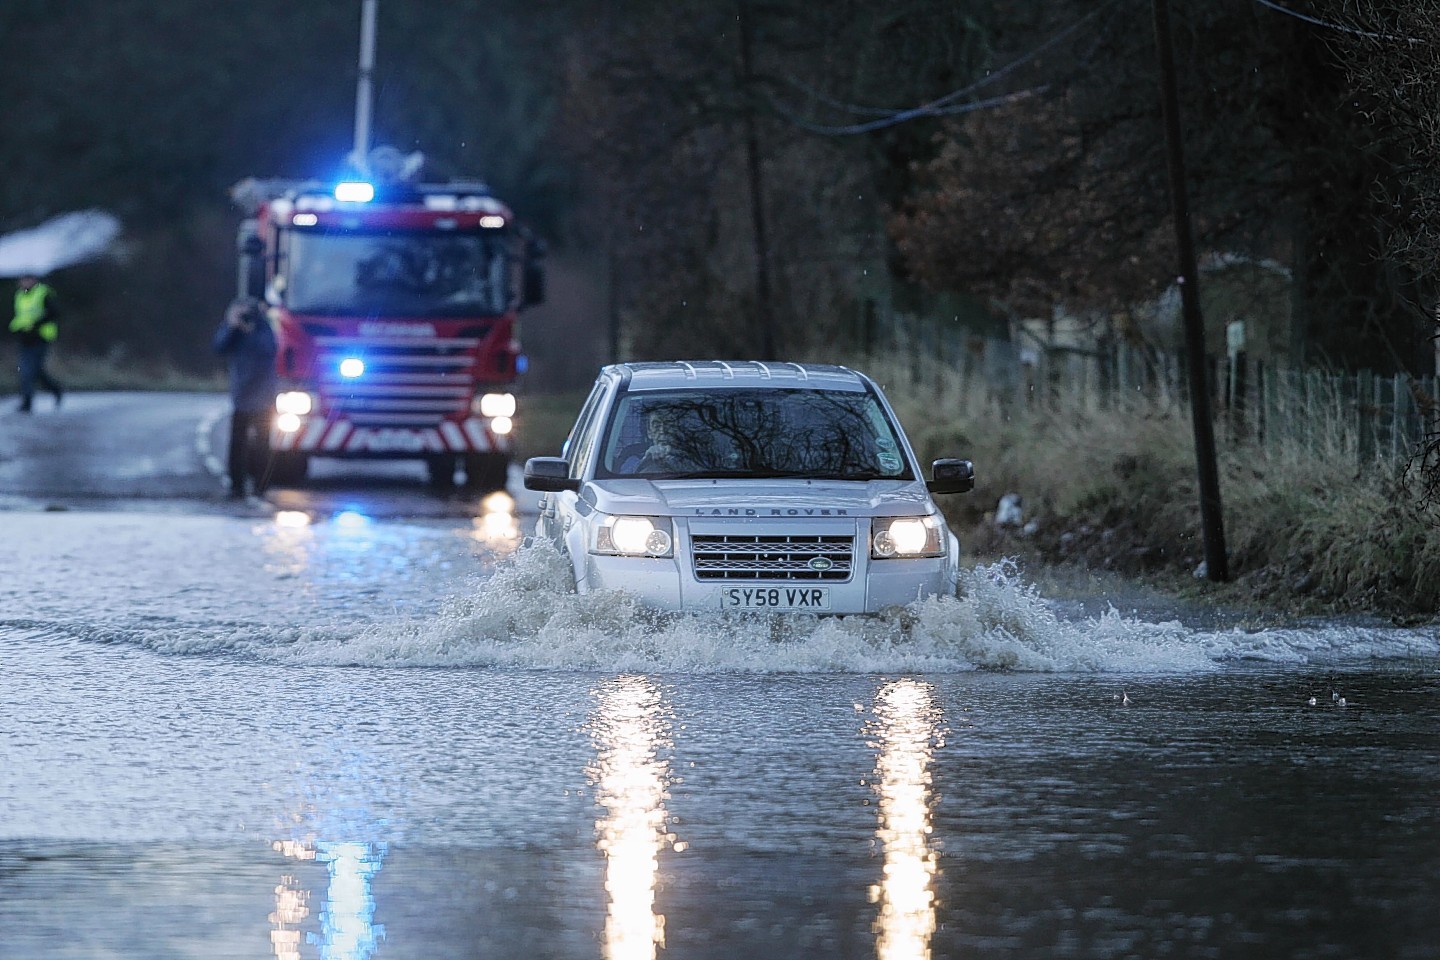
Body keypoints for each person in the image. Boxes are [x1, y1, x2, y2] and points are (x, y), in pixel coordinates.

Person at [213, 297, 277, 497]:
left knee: (261, 443)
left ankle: (261, 485)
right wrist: (233, 327)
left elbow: (270, 349)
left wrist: (251, 331)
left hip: (263, 395)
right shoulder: (234, 330)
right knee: (237, 443)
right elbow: (219, 347)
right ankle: (236, 486)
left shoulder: (263, 328)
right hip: (241, 395)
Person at [8, 274, 64, 413]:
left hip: (41, 337)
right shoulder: (20, 295)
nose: (23, 282)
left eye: (26, 279)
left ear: (33, 280)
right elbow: (20, 316)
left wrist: (37, 324)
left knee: (29, 370)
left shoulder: (44, 293)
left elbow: (55, 312)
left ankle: (27, 403)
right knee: (33, 371)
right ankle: (55, 390)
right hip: (25, 338)